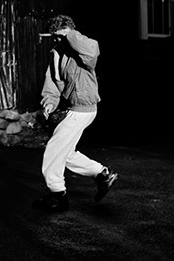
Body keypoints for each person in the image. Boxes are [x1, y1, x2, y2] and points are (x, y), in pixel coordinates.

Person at [32, 14, 118, 212]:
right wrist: (50, 102)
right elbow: (52, 82)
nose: (57, 41)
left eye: (60, 37)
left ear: (70, 34)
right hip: (74, 109)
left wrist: (70, 35)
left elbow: (93, 48)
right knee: (65, 152)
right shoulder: (56, 54)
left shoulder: (83, 52)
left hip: (83, 110)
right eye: (55, 37)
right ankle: (103, 174)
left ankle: (56, 195)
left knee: (54, 150)